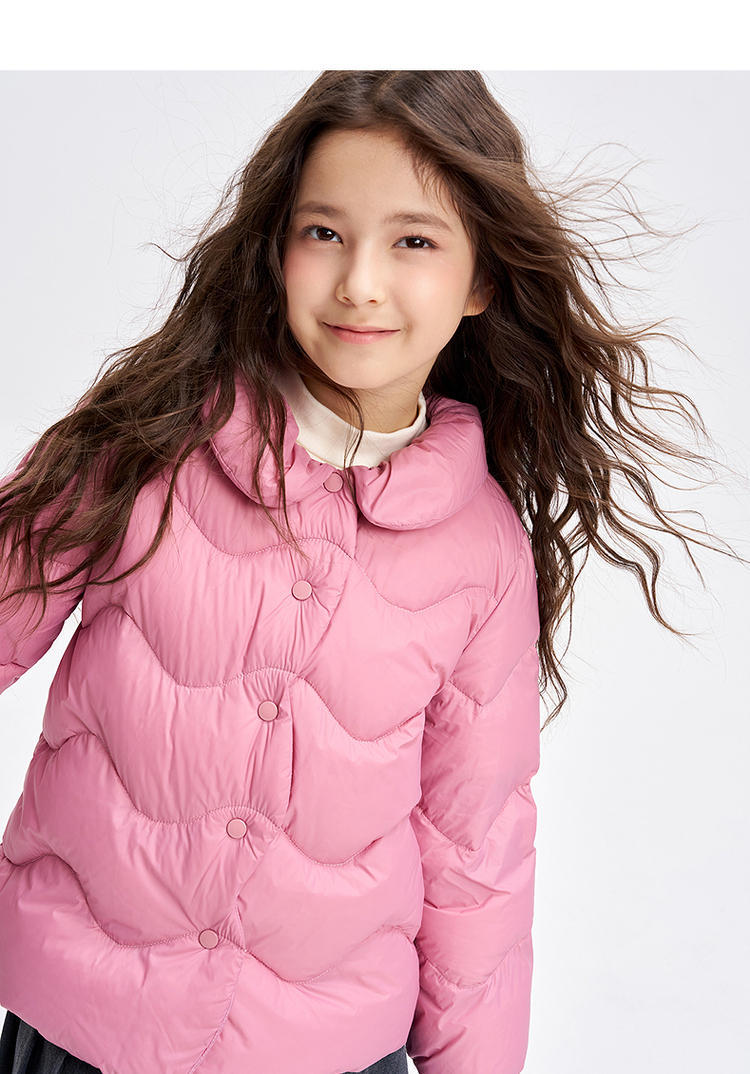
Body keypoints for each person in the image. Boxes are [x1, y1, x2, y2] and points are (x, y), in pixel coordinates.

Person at [0, 70, 732, 1074]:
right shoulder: (151, 436)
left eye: (414, 242)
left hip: (330, 1052)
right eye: (325, 233)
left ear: (480, 279)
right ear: (277, 249)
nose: (360, 283)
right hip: (81, 1029)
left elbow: (473, 850)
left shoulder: (481, 551)